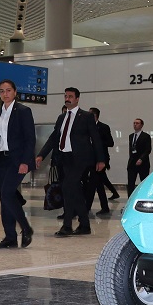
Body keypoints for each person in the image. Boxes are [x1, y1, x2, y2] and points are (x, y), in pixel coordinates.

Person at [36, 88, 107, 237]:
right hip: (65, 158)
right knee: (74, 190)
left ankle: (67, 226)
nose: (67, 99)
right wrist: (41, 155)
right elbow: (53, 138)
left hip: (80, 159)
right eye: (65, 96)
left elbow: (96, 138)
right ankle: (84, 225)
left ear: (77, 99)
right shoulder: (62, 118)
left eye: (70, 96)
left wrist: (101, 159)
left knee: (68, 188)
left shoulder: (86, 116)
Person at [0, 79, 35, 248]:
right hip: (2, 160)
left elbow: (30, 139)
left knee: (7, 194)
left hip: (17, 160)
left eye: (8, 90)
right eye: (2, 91)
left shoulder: (23, 111)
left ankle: (26, 228)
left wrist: (25, 161)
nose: (5, 94)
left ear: (15, 92)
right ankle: (10, 237)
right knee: (5, 198)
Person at [89, 107, 121, 212]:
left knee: (94, 184)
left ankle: (87, 207)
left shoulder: (103, 127)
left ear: (95, 116)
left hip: (101, 159)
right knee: (99, 184)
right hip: (90, 159)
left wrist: (97, 142)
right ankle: (104, 207)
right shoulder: (87, 127)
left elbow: (110, 143)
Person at [126, 118, 152, 196]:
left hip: (143, 163)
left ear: (141, 125)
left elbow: (148, 150)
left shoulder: (146, 136)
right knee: (130, 183)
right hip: (132, 162)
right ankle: (130, 200)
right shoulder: (131, 136)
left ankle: (144, 197)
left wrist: (141, 159)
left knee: (144, 182)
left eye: (137, 123)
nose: (135, 125)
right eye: (134, 123)